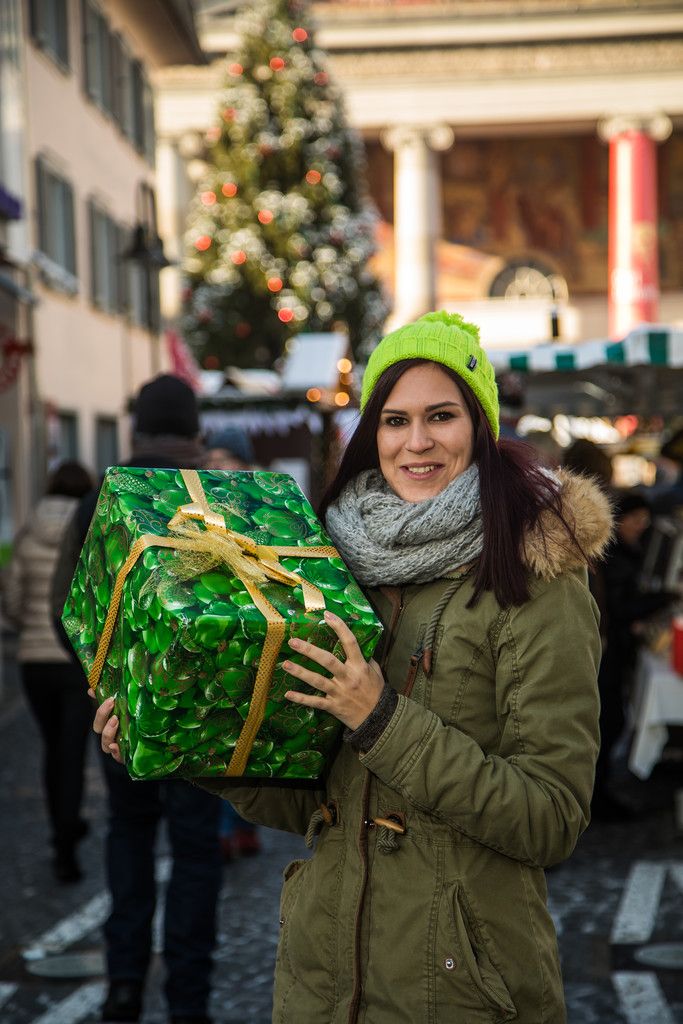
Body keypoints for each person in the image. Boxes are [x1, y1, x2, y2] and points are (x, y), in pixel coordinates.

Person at [96, 313, 610, 1024]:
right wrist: (179, 743)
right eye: (394, 420)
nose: (416, 441)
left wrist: (381, 720)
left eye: (441, 416)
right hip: (322, 980)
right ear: (370, 433)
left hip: (458, 987)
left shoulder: (535, 576)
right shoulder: (336, 566)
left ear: (482, 427)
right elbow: (311, 800)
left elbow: (549, 818)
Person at [53, 375, 221, 1024]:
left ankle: (123, 983)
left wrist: (106, 685)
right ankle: (190, 999)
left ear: (137, 430)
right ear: (195, 433)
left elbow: (63, 605)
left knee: (129, 835)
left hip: (116, 713)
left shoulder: (102, 496)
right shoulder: (214, 495)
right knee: (196, 851)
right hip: (202, 714)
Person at [4, 460, 93, 883]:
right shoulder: (88, 532)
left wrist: (27, 628)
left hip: (34, 662)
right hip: (72, 661)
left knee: (51, 747)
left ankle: (60, 828)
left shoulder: (26, 533)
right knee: (72, 753)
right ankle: (67, 847)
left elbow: (13, 599)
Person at [592, 490, 677, 821]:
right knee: (609, 720)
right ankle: (598, 796)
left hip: (614, 650)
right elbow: (621, 608)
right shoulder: (615, 557)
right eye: (636, 520)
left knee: (613, 720)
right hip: (608, 653)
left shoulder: (628, 552)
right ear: (620, 520)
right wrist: (665, 598)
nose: (641, 526)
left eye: (645, 520)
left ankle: (601, 791)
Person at [201, 424, 263, 860]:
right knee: (222, 733)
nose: (218, 468)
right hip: (216, 634)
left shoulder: (261, 504)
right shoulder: (197, 507)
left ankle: (246, 826)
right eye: (212, 461)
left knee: (251, 732)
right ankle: (225, 829)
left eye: (226, 460)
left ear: (244, 464)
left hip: (256, 633)